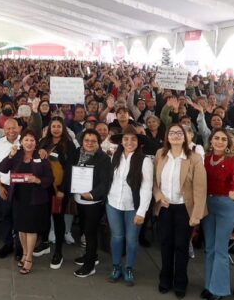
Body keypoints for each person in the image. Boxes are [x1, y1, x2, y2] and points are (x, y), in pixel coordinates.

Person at [153, 124, 207, 297]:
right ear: (167, 136)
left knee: (181, 246)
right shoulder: (160, 154)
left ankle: (180, 282)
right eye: (172, 132)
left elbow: (200, 188)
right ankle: (165, 279)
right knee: (165, 244)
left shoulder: (194, 158)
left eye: (179, 133)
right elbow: (154, 180)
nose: (175, 135)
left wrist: (196, 214)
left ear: (185, 137)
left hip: (185, 208)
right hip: (165, 207)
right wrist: (158, 195)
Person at [95, 125, 154, 280]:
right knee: (116, 237)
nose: (129, 142)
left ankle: (129, 268)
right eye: (126, 139)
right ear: (121, 141)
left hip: (133, 206)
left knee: (132, 239)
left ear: (138, 142)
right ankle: (116, 266)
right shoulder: (114, 156)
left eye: (133, 139)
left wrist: (142, 212)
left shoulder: (145, 161)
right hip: (113, 203)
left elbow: (147, 188)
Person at [0, 129, 54, 274]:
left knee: (31, 229)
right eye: (26, 140)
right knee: (21, 229)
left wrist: (37, 180)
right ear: (21, 141)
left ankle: (29, 258)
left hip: (35, 199)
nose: (29, 143)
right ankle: (24, 253)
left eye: (32, 140)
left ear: (36, 143)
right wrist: (10, 155)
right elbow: (2, 168)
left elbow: (50, 178)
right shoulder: (16, 154)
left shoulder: (41, 156)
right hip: (18, 198)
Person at [60, 129, 112, 277]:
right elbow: (69, 172)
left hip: (93, 202)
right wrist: (66, 189)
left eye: (93, 141)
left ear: (99, 143)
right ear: (82, 141)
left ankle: (89, 266)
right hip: (79, 198)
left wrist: (92, 194)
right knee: (84, 229)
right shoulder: (76, 153)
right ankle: (91, 256)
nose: (89, 143)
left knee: (90, 233)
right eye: (87, 140)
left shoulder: (103, 158)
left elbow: (105, 182)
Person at [201, 128, 234, 300]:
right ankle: (209, 284)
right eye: (216, 138)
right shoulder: (204, 159)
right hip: (207, 204)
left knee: (220, 248)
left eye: (223, 139)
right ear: (211, 141)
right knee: (210, 247)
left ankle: (218, 289)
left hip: (226, 205)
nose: (219, 141)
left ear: (228, 143)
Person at [38, 117, 77, 268]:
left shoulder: (69, 144)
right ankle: (44, 243)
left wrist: (62, 189)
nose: (55, 129)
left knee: (58, 218)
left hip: (59, 189)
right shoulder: (44, 142)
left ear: (63, 128)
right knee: (44, 216)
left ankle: (58, 252)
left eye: (58, 126)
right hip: (43, 187)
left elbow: (70, 169)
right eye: (53, 126)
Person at [0, 118, 22, 259]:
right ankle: (8, 244)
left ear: (19, 128)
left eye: (14, 128)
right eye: (8, 128)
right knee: (5, 216)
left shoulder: (25, 142)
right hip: (5, 187)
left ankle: (20, 247)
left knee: (19, 218)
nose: (11, 131)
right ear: (4, 129)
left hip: (21, 187)